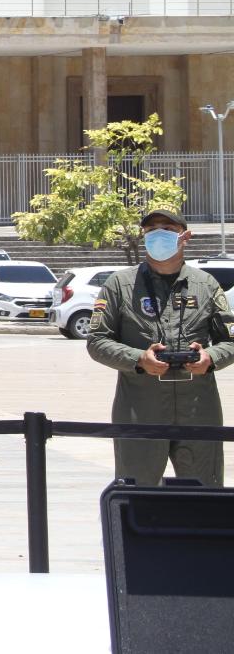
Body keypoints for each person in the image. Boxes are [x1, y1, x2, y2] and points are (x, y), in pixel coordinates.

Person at [87, 208, 233, 487]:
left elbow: (230, 340)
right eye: (151, 229)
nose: (158, 234)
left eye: (167, 228)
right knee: (136, 494)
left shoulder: (206, 285)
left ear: (184, 236)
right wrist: (138, 359)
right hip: (140, 407)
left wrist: (210, 357)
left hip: (198, 408)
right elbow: (97, 340)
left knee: (205, 494)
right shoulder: (119, 285)